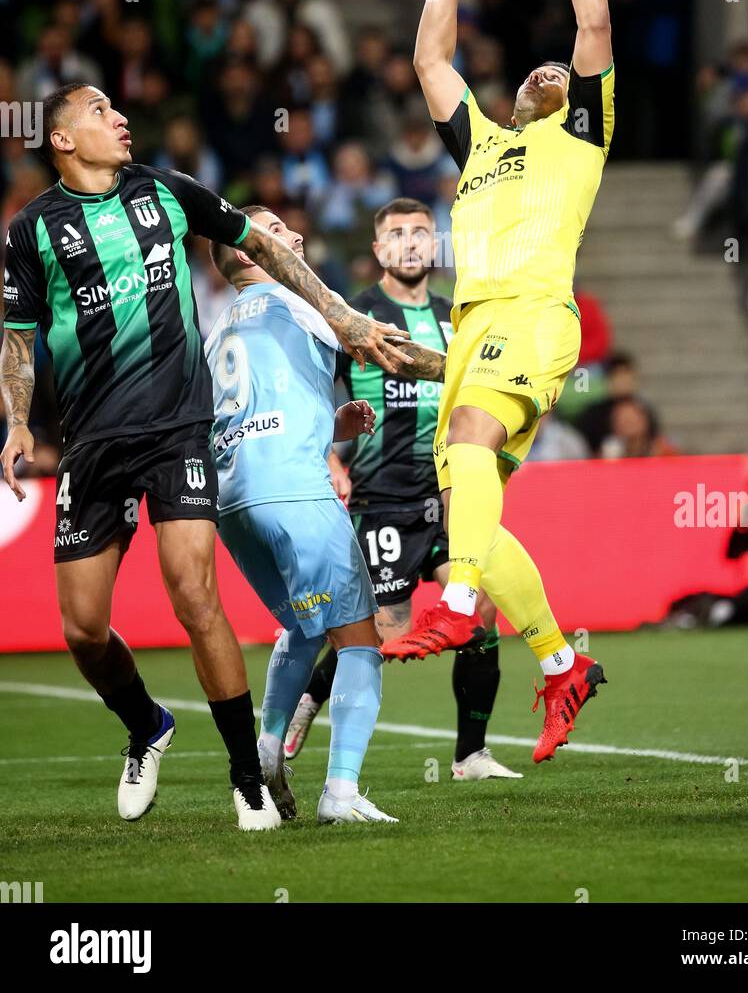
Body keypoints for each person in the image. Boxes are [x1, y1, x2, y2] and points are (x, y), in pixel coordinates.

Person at [0, 80, 412, 829]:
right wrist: (18, 420)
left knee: (195, 592)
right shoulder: (31, 231)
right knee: (84, 630)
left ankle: (247, 777)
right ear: (60, 138)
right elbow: (20, 336)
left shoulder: (166, 191)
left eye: (117, 108)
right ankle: (147, 726)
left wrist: (342, 312)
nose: (120, 118)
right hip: (94, 441)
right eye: (99, 111)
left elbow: (256, 244)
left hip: (179, 428)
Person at [380, 0, 615, 764]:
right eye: (541, 69)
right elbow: (429, 60)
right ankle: (563, 662)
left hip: (535, 316)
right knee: (471, 502)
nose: (555, 71)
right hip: (472, 326)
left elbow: (592, 22)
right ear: (518, 93)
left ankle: (460, 602)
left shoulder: (582, 138)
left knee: (470, 457)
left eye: (565, 73)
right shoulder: (481, 143)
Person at [206, 206, 450, 821]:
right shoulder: (306, 303)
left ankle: (265, 750)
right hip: (296, 493)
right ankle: (340, 792)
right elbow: (393, 352)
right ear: (248, 252)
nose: (296, 237)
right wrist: (478, 373)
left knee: (305, 626)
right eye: (278, 234)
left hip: (233, 500)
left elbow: (257, 410)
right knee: (361, 644)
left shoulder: (217, 328)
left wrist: (332, 426)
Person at [286, 198, 521, 782]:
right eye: (397, 234)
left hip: (446, 497)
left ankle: (470, 755)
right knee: (379, 634)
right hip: (382, 497)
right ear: (378, 250)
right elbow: (316, 392)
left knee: (481, 615)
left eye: (422, 232)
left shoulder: (457, 317)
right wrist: (329, 459)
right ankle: (308, 697)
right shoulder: (356, 317)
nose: (412, 242)